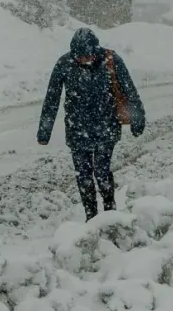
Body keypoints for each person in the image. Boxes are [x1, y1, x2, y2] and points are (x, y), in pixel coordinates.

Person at [37, 27, 146, 221]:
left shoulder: (111, 61)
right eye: (79, 56)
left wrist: (137, 119)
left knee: (102, 171)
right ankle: (91, 215)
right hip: (77, 131)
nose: (84, 60)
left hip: (106, 128)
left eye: (87, 55)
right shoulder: (64, 64)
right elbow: (51, 99)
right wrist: (44, 131)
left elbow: (130, 91)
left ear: (95, 51)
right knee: (83, 176)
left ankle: (110, 209)